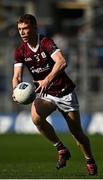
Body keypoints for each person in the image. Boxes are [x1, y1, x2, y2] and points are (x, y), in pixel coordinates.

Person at [12, 14, 98, 176]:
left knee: (77, 134)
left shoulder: (45, 42)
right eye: (19, 29)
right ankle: (61, 149)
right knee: (36, 118)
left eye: (25, 29)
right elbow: (17, 76)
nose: (22, 32)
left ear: (34, 28)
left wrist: (46, 80)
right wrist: (15, 90)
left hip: (64, 92)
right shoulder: (20, 51)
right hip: (46, 95)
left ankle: (90, 159)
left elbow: (61, 62)